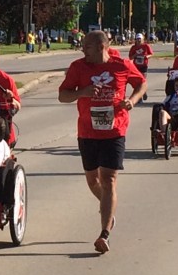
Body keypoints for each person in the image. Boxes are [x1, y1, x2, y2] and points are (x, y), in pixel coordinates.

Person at [58, 30, 147, 254]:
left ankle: (104, 233)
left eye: (86, 46)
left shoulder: (122, 65)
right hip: (87, 131)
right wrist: (83, 92)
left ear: (101, 47)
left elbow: (141, 84)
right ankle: (108, 208)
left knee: (109, 179)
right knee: (92, 180)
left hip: (115, 129)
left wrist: (132, 100)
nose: (82, 49)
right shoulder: (78, 67)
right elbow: (63, 95)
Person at [127, 34, 153, 101]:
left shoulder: (146, 46)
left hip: (144, 66)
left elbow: (151, 54)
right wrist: (135, 55)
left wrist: (146, 57)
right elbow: (130, 57)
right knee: (138, 81)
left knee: (143, 80)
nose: (138, 40)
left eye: (140, 39)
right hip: (136, 66)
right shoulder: (133, 47)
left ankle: (142, 92)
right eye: (137, 39)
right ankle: (140, 96)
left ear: (142, 40)